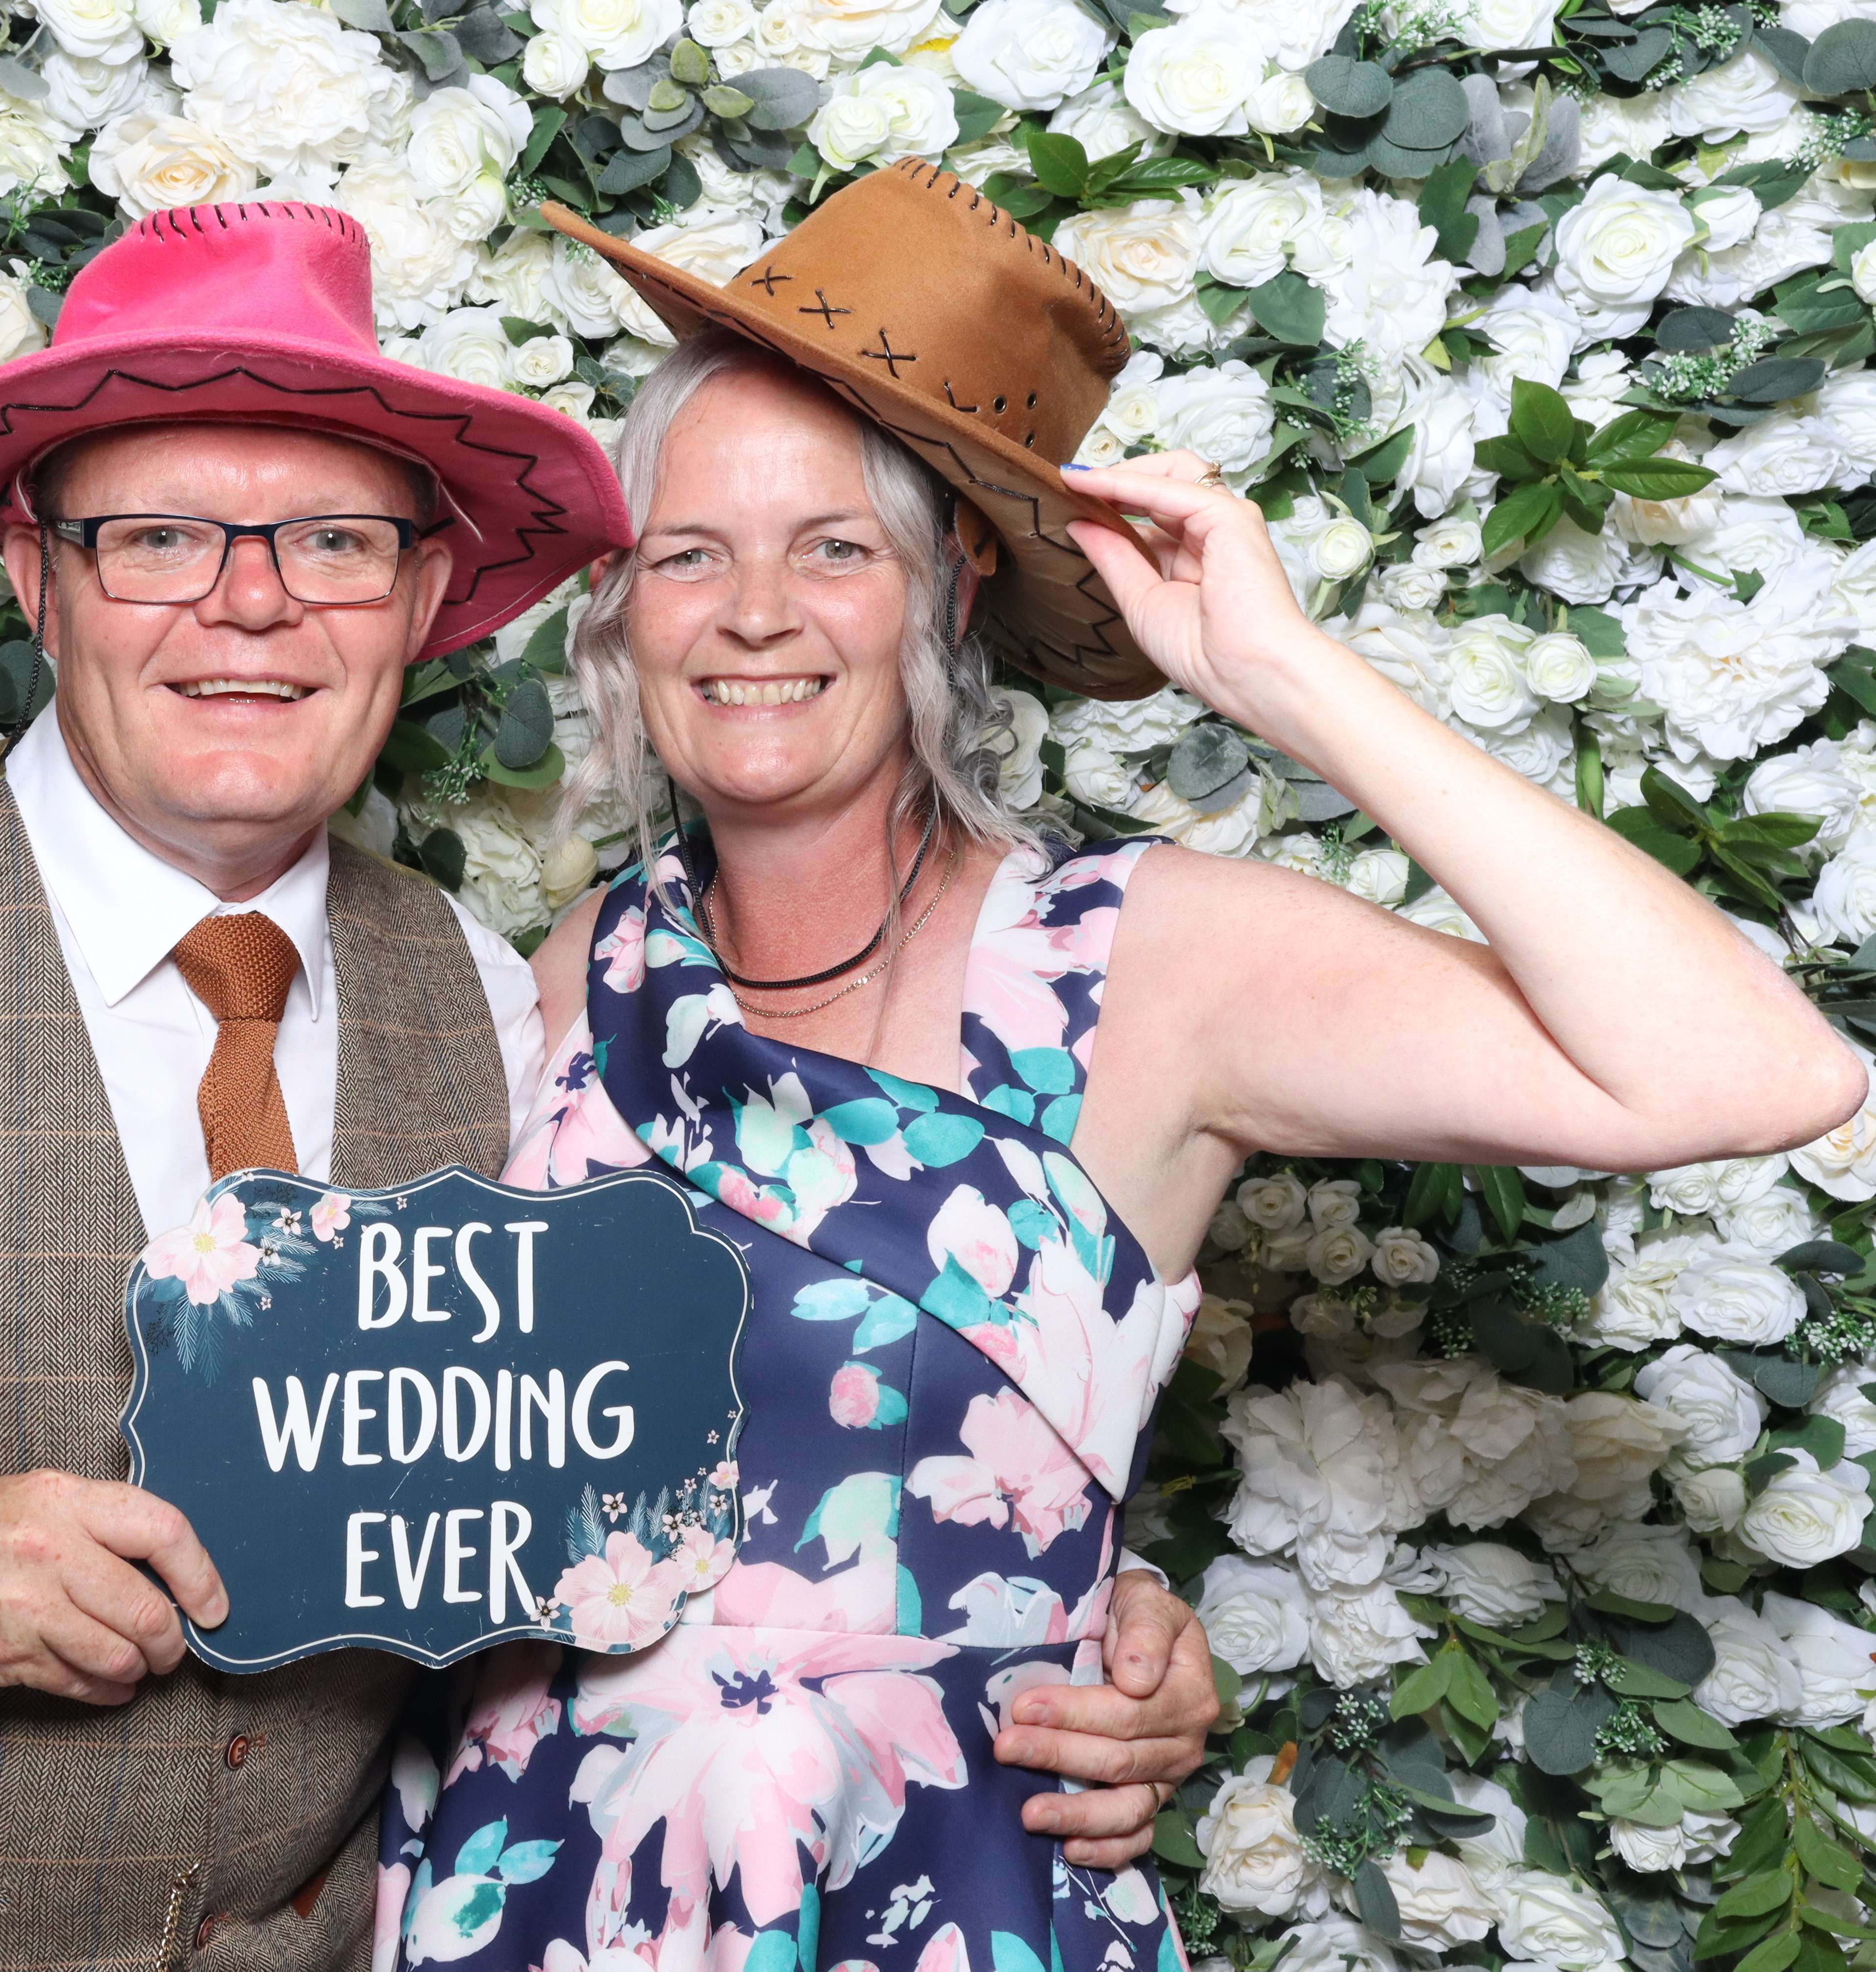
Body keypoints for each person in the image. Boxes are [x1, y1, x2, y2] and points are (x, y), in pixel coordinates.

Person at [0, 202, 1214, 1972]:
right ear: (37, 574)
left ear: (422, 595)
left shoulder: (493, 997)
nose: (254, 602)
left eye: (333, 542)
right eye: (163, 535)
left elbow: (683, 1460)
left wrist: (1076, 1624)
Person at [379, 163, 1867, 1970]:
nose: (753, 612)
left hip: (944, 1888)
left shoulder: (1147, 963)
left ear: (950, 587)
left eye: (835, 547)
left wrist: (1283, 674)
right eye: (691, 552)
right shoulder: (570, 984)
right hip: (536, 1884)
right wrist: (1123, 1579)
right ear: (626, 609)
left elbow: (1744, 1072)